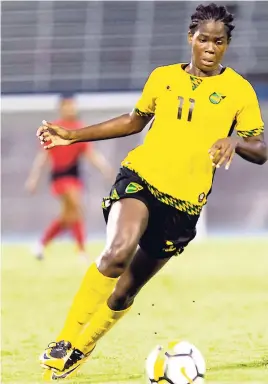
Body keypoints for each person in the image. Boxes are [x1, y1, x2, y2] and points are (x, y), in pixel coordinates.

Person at [37, 3, 267, 380]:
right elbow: (133, 121)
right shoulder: (163, 77)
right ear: (191, 38)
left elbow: (260, 149)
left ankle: (84, 345)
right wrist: (73, 135)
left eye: (219, 42)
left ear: (227, 45)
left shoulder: (239, 91)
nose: (210, 47)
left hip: (183, 205)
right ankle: (64, 340)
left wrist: (233, 142)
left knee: (125, 292)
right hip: (141, 179)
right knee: (116, 253)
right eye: (204, 39)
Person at [26, 96, 114, 261]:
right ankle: (81, 251)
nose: (71, 109)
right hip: (60, 176)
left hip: (74, 176)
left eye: (72, 106)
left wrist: (105, 168)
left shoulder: (78, 129)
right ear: (61, 107)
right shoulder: (53, 128)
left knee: (69, 215)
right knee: (76, 208)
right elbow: (43, 156)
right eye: (67, 106)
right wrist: (34, 178)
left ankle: (41, 245)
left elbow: (90, 153)